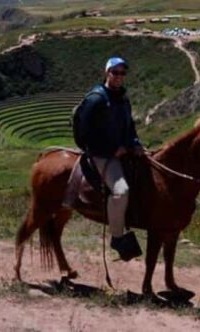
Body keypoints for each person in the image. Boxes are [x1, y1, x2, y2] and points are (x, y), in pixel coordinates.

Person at [75, 57, 145, 261]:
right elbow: (83, 133)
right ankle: (117, 236)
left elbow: (129, 127)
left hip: (125, 150)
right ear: (107, 73)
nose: (119, 77)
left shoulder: (123, 99)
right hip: (103, 154)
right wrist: (111, 150)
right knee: (121, 191)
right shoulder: (96, 99)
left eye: (122, 73)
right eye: (115, 72)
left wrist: (135, 143)